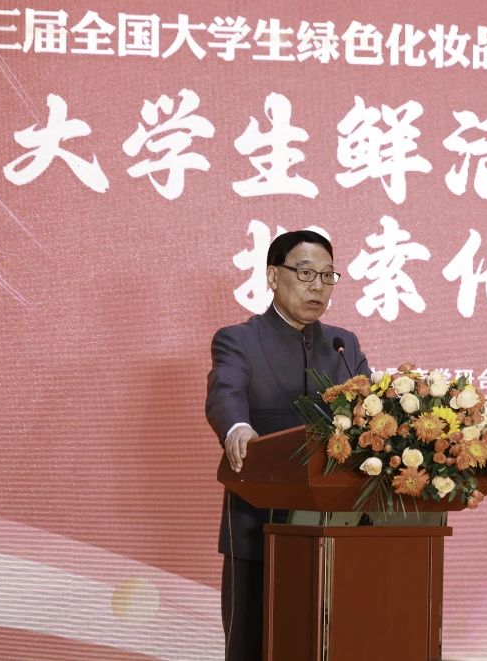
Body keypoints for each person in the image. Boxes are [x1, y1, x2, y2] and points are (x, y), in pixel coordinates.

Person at [205, 229, 369, 661]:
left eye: (328, 276)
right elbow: (226, 392)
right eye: (306, 273)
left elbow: (369, 412)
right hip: (259, 527)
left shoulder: (343, 345)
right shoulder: (239, 340)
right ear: (274, 277)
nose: (318, 286)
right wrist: (237, 428)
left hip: (339, 533)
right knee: (252, 647)